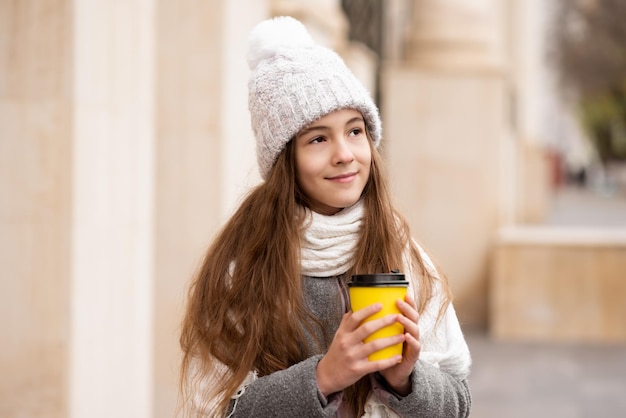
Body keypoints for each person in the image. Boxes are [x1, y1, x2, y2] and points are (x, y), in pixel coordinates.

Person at [179, 16, 472, 418]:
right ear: (286, 160)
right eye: (318, 138)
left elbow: (458, 403)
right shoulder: (240, 269)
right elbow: (212, 409)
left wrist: (406, 380)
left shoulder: (406, 256)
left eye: (355, 131)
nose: (344, 154)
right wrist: (321, 378)